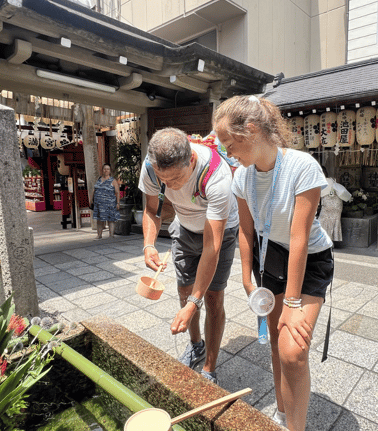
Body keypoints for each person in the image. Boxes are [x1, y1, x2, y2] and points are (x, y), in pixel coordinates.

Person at [213, 96, 334, 431]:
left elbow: (299, 238)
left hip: (309, 260)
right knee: (277, 344)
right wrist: (246, 277)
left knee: (292, 351)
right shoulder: (242, 178)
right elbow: (246, 232)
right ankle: (282, 413)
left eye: (229, 144)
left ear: (251, 130)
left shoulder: (302, 166)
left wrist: (293, 303)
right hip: (269, 259)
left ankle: (296, 427)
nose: (228, 154)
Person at [139, 128, 239, 385]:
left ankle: (209, 368)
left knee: (212, 298)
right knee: (185, 292)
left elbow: (212, 247)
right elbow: (152, 209)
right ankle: (196, 345)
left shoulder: (216, 175)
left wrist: (196, 302)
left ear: (191, 160)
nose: (170, 186)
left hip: (219, 231)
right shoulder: (151, 167)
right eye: (164, 180)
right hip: (184, 226)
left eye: (176, 179)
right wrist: (149, 244)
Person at [318, 166, 351, 241]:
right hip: (337, 204)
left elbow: (318, 195)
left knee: (323, 222)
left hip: (327, 204)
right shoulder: (332, 180)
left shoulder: (320, 182)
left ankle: (325, 241)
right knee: (334, 223)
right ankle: (331, 240)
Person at [92, 163, 120, 239]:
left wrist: (118, 203)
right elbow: (94, 190)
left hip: (110, 204)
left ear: (110, 171)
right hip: (99, 204)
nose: (106, 170)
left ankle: (111, 235)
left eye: (108, 169)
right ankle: (99, 235)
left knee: (111, 219)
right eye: (105, 169)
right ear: (102, 170)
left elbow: (117, 192)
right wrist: (91, 200)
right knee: (99, 219)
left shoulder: (113, 180)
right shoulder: (99, 180)